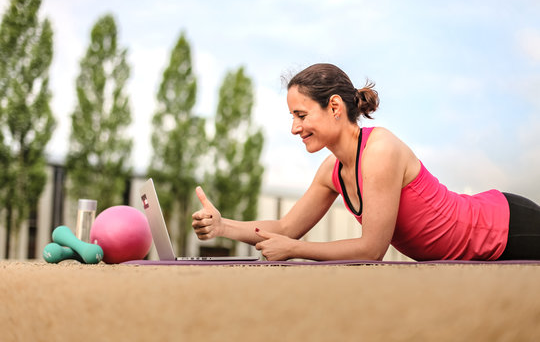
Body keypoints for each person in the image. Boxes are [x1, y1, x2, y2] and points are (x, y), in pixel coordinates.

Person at [192, 63, 540, 261]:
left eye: (300, 115)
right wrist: (224, 227)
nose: (294, 127)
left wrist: (295, 250)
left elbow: (372, 248)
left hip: (506, 227)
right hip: (490, 238)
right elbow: (285, 230)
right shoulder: (332, 172)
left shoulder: (380, 151)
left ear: (334, 107)